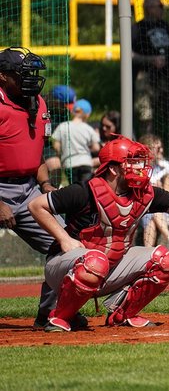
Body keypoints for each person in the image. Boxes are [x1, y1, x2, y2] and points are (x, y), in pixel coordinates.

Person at [28, 135, 169, 332]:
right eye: (132, 162)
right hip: (66, 267)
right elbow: (36, 206)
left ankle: (122, 314)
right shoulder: (84, 191)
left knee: (165, 260)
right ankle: (61, 317)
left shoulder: (143, 194)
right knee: (95, 261)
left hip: (109, 267)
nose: (140, 167)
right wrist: (64, 239)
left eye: (140, 161)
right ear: (113, 169)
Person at [0, 47, 68, 328]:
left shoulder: (38, 103)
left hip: (29, 189)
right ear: (3, 77)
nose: (31, 79)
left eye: (33, 73)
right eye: (23, 73)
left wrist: (46, 184)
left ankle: (51, 313)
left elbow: (36, 151)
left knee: (65, 244)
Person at [132, 0, 169, 154]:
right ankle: (145, 151)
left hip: (166, 79)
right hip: (145, 78)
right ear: (148, 9)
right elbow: (129, 55)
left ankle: (166, 151)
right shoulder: (137, 28)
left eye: (161, 6)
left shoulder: (166, 26)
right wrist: (151, 60)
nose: (161, 9)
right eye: (158, 6)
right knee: (146, 116)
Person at [138, 134, 169, 253]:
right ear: (147, 149)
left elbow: (167, 193)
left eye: (161, 147)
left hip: (157, 206)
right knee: (151, 213)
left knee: (153, 214)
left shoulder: (164, 166)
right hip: (140, 205)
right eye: (158, 148)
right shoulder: (139, 166)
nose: (162, 151)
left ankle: (147, 255)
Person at [50, 99, 100, 185]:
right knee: (85, 187)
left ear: (73, 111)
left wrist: (62, 152)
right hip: (85, 162)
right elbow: (96, 148)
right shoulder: (88, 128)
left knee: (74, 187)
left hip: (69, 163)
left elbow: (56, 146)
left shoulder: (63, 126)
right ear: (87, 114)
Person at [44, 85, 76, 186]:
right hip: (30, 141)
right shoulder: (38, 103)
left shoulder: (63, 114)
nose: (67, 109)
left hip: (47, 144)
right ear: (56, 101)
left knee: (56, 168)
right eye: (64, 105)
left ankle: (52, 193)